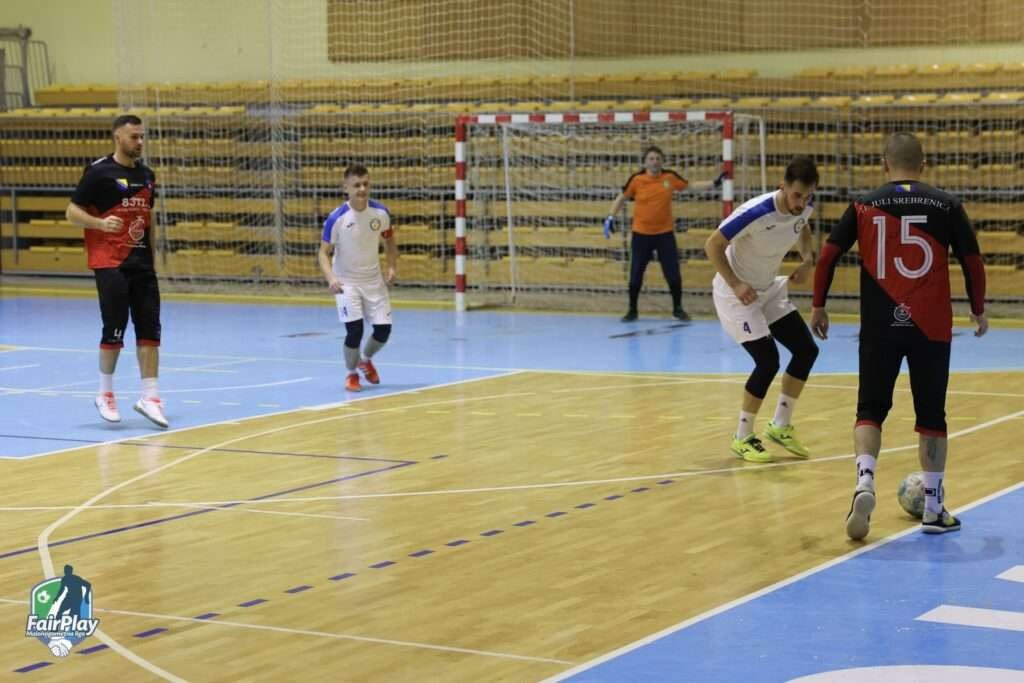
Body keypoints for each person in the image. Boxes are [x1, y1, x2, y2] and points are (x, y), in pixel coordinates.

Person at [811, 132, 987, 539]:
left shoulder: (863, 205)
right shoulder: (947, 204)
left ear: (884, 165)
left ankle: (864, 480)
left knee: (869, 410)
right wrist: (977, 309)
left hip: (878, 325)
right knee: (931, 416)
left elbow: (827, 256)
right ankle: (933, 507)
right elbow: (973, 262)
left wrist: (819, 305)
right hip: (930, 327)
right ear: (923, 165)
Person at [705, 156, 820, 463]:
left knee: (806, 350)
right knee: (768, 361)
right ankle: (742, 436)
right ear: (782, 186)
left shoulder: (805, 206)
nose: (802, 202)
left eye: (808, 196)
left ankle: (780, 425)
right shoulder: (755, 212)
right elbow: (712, 245)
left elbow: (803, 227)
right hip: (735, 294)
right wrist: (736, 283)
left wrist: (808, 260)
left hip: (768, 288)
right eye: (797, 195)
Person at [65, 114, 167, 429]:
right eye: (133, 136)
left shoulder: (148, 175)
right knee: (115, 328)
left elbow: (149, 218)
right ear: (118, 137)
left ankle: (150, 397)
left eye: (142, 136)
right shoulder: (99, 173)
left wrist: (154, 258)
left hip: (142, 265)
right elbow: (71, 212)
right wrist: (99, 224)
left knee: (150, 330)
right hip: (110, 262)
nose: (139, 142)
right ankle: (105, 393)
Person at [604, 145, 724, 322]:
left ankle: (677, 308)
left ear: (662, 161)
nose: (655, 162)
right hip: (641, 235)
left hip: (665, 235)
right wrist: (610, 217)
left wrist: (714, 183)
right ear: (645, 162)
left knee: (673, 274)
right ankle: (632, 309)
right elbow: (621, 197)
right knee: (636, 274)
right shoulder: (637, 180)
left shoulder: (669, 177)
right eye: (651, 159)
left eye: (658, 158)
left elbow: (690, 186)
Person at [318, 164, 398, 392]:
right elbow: (323, 253)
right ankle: (351, 374)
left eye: (366, 184)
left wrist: (391, 266)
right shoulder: (337, 219)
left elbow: (390, 241)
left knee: (383, 331)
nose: (362, 189)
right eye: (357, 185)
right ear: (346, 188)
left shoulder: (381, 213)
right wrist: (331, 278)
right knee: (355, 331)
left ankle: (365, 358)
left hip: (373, 281)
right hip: (347, 283)